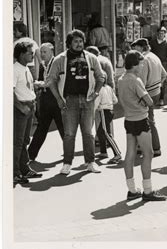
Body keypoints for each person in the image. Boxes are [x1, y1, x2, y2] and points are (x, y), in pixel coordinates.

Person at [47, 29, 105, 175]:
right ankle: (67, 163)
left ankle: (90, 162)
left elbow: (100, 77)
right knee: (69, 134)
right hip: (69, 100)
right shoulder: (60, 59)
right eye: (76, 41)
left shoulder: (91, 57)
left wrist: (96, 92)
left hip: (87, 99)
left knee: (88, 133)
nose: (79, 44)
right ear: (69, 43)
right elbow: (51, 80)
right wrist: (59, 99)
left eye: (81, 41)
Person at [118, 50, 167, 201]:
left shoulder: (121, 79)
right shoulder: (135, 80)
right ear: (134, 64)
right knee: (148, 153)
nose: (141, 66)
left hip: (128, 119)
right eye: (140, 63)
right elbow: (150, 101)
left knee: (130, 153)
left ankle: (132, 189)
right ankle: (147, 190)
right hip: (140, 118)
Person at [28, 43, 65, 162]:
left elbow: (55, 81)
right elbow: (41, 80)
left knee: (62, 128)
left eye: (45, 52)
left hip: (56, 100)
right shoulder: (43, 65)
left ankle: (69, 152)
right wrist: (39, 84)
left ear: (51, 51)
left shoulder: (57, 63)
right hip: (45, 101)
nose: (42, 55)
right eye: (41, 52)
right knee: (41, 128)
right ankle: (31, 155)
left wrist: (43, 84)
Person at [131, 38, 167, 157]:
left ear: (141, 47)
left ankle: (155, 147)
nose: (134, 50)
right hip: (155, 91)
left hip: (148, 93)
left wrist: (139, 96)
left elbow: (142, 81)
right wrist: (158, 85)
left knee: (148, 121)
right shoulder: (154, 56)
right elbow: (164, 74)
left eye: (136, 47)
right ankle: (142, 146)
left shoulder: (144, 60)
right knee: (147, 120)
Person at [14, 41, 42, 185]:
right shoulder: (14, 69)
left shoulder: (25, 69)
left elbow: (25, 86)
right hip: (22, 108)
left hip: (29, 105)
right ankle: (15, 172)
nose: (33, 55)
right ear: (21, 54)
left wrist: (36, 86)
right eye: (30, 53)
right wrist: (20, 107)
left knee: (25, 140)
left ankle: (24, 168)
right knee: (17, 141)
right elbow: (9, 91)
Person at [93, 65, 122, 164]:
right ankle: (103, 151)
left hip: (103, 111)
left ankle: (117, 154)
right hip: (110, 110)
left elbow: (96, 104)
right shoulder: (109, 88)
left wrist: (92, 111)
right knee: (101, 131)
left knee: (106, 133)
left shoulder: (99, 90)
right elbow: (115, 100)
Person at [149, 27, 167, 106]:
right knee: (152, 79)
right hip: (153, 64)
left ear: (164, 34)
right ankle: (152, 98)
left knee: (162, 81)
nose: (161, 35)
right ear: (157, 34)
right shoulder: (152, 43)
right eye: (159, 33)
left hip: (163, 64)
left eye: (162, 34)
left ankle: (161, 98)